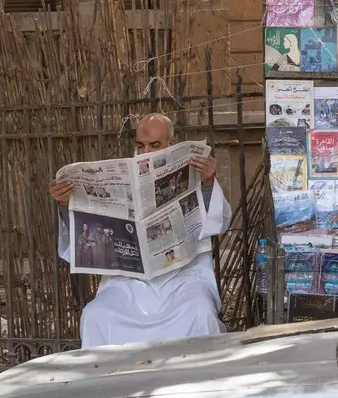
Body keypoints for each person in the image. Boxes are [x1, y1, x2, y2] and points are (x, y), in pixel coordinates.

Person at [52, 113, 229, 348]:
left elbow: (217, 221)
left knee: (200, 311)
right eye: (140, 145)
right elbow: (82, 233)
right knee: (96, 315)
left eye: (155, 145)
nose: (146, 151)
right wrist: (65, 205)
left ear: (172, 143)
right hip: (128, 283)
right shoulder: (125, 176)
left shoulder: (195, 170)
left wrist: (208, 183)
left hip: (182, 278)